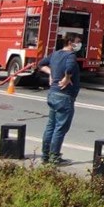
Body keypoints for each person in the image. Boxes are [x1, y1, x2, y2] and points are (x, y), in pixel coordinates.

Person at [37, 32, 82, 165]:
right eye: (77, 41)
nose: (79, 44)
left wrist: (52, 73)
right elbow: (70, 67)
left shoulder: (55, 54)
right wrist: (67, 77)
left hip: (53, 94)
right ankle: (54, 157)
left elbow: (41, 64)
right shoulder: (71, 55)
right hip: (64, 96)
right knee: (60, 128)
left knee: (51, 126)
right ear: (70, 42)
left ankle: (45, 155)